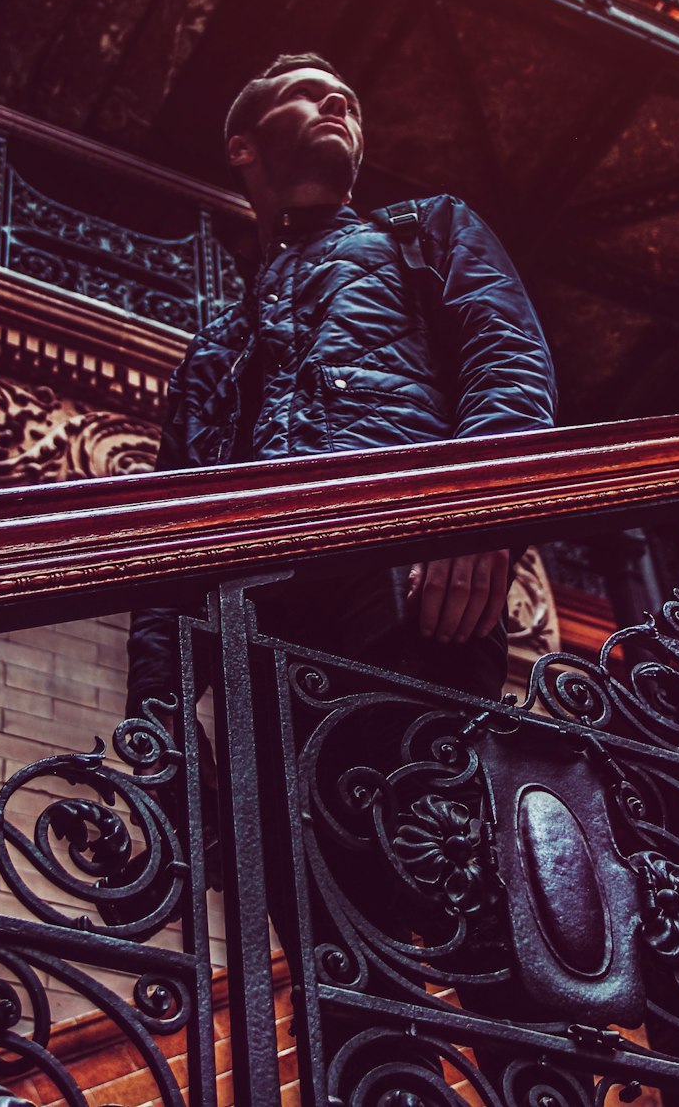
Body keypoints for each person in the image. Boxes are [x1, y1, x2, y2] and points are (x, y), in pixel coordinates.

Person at [126, 52, 556, 713]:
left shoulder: (427, 229)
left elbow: (509, 366)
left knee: (421, 807)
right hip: (258, 634)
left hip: (413, 589)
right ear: (242, 147)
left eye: (348, 103)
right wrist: (158, 725)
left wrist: (481, 516)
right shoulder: (214, 350)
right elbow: (167, 544)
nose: (338, 107)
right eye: (307, 94)